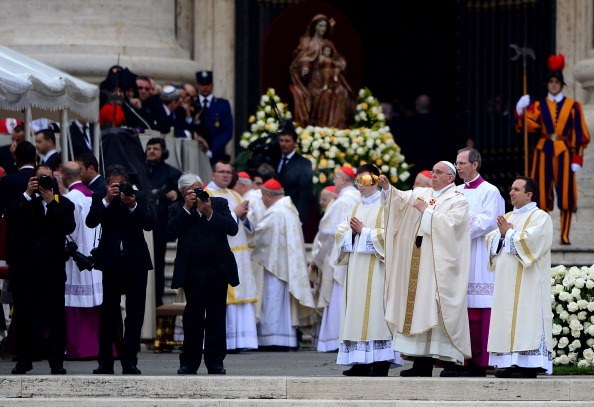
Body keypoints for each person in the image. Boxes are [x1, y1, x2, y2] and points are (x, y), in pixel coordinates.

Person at [380, 160, 471, 377]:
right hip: (421, 264)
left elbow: (451, 227)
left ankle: (452, 364)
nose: (434, 175)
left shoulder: (458, 199)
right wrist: (387, 189)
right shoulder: (425, 193)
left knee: (441, 310)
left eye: (439, 172)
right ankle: (422, 364)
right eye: (433, 171)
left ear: (451, 178)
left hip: (441, 267)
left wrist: (426, 212)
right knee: (420, 308)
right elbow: (401, 198)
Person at [5, 165, 75, 374]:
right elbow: (10, 215)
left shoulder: (63, 204)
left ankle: (56, 362)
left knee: (56, 317)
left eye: (47, 181)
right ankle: (24, 359)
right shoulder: (27, 203)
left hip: (52, 270)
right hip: (28, 270)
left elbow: (68, 226)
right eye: (39, 180)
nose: (43, 184)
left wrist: (50, 201)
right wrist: (27, 193)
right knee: (25, 315)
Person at [514, 54, 590, 245]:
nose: (554, 84)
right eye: (551, 81)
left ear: (561, 84)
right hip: (543, 150)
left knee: (566, 194)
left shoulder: (574, 106)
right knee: (540, 192)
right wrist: (520, 111)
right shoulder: (538, 105)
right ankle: (541, 234)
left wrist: (578, 158)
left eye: (557, 81)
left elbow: (580, 133)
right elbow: (526, 128)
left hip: (564, 151)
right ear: (547, 84)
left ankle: (565, 235)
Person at [86, 164, 154, 375]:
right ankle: (105, 360)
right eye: (113, 185)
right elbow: (90, 221)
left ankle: (129, 360)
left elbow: (150, 223)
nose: (117, 189)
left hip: (135, 261)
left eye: (120, 184)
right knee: (109, 312)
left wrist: (132, 204)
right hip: (111, 261)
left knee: (135, 313)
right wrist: (107, 199)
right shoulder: (100, 196)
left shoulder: (138, 196)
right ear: (107, 185)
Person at [335, 164, 403, 376]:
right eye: (357, 180)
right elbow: (340, 233)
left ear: (375, 180)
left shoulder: (386, 205)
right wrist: (354, 235)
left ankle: (381, 361)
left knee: (376, 311)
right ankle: (360, 361)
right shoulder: (355, 208)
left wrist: (364, 232)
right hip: (356, 270)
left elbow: (391, 235)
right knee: (355, 311)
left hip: (378, 270)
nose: (360, 185)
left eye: (364, 180)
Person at [168, 172, 238, 375]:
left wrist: (209, 213)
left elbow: (232, 228)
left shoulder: (219, 204)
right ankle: (189, 361)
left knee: (216, 316)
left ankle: (215, 361)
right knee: (193, 317)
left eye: (199, 189)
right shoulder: (177, 209)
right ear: (183, 194)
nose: (197, 194)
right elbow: (170, 232)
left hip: (217, 270)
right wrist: (187, 209)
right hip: (192, 271)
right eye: (191, 192)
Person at [485, 176, 554, 378]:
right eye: (512, 189)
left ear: (528, 194)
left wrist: (509, 234)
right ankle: (511, 362)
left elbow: (533, 242)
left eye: (516, 189)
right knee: (507, 319)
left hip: (529, 283)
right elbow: (491, 239)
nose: (511, 192)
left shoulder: (541, 217)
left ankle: (529, 364)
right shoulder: (509, 216)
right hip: (506, 283)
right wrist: (502, 234)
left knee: (527, 319)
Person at [455, 147, 505, 377]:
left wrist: (458, 225)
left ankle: (482, 361)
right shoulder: (454, 192)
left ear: (475, 165)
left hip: (480, 256)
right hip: (458, 255)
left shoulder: (490, 191)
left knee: (481, 308)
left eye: (462, 163)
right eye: (457, 163)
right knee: (462, 308)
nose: (458, 167)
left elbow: (487, 222)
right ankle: (464, 361)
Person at [251, 179, 315, 348]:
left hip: (275, 266)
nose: (262, 201)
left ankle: (272, 339)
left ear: (268, 195)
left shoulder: (275, 212)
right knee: (280, 302)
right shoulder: (290, 210)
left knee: (272, 300)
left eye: (263, 197)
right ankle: (285, 338)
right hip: (285, 264)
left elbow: (260, 234)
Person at [206, 161, 258, 352]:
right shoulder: (207, 195)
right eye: (222, 172)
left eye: (229, 172)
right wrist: (235, 214)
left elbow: (246, 225)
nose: (226, 175)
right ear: (213, 174)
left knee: (241, 295)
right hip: (221, 253)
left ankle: (242, 341)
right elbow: (211, 222)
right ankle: (225, 342)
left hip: (240, 253)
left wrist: (243, 218)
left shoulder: (235, 194)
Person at [311, 166, 360, 352]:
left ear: (345, 180)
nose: (334, 182)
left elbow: (327, 232)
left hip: (339, 255)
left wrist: (318, 256)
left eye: (336, 178)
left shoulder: (342, 202)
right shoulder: (359, 198)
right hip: (355, 255)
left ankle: (334, 340)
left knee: (338, 297)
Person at [61, 161, 103, 359]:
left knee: (74, 298)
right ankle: (98, 347)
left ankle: (78, 348)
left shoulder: (69, 199)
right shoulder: (93, 195)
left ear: (63, 176)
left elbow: (68, 230)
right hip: (93, 257)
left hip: (76, 257)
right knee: (95, 301)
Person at [289, 14, 353, 128]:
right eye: (320, 26)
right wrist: (305, 68)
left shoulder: (328, 43)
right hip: (316, 79)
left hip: (331, 78)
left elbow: (337, 58)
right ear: (314, 27)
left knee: (342, 92)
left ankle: (336, 125)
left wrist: (342, 63)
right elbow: (302, 59)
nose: (323, 29)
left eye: (324, 26)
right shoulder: (307, 42)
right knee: (325, 94)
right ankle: (321, 125)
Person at [145, 138, 182, 307]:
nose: (151, 151)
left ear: (164, 152)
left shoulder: (173, 173)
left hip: (159, 229)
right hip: (142, 226)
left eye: (156, 149)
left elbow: (182, 197)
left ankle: (157, 304)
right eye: (149, 148)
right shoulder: (140, 170)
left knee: (157, 268)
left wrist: (176, 195)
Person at [275, 121, 314, 224]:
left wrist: (299, 219)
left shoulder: (304, 163)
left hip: (292, 213)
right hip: (274, 212)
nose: (283, 144)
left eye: (287, 141)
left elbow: (305, 193)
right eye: (281, 141)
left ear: (295, 143)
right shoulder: (274, 160)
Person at [399, 95, 445, 181]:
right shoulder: (438, 123)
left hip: (415, 164)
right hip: (434, 162)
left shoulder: (409, 123)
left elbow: (405, 145)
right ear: (430, 106)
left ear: (416, 106)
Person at [309, 40, 353, 129]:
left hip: (332, 84)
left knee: (341, 92)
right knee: (327, 94)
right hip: (321, 86)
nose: (327, 52)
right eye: (325, 51)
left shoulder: (333, 65)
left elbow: (338, 64)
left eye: (329, 51)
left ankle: (337, 122)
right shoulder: (318, 69)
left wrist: (340, 66)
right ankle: (323, 123)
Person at [194, 70, 233, 164]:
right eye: (202, 84)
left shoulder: (222, 105)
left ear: (212, 85)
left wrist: (212, 150)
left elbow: (227, 131)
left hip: (217, 154)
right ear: (197, 85)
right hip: (195, 153)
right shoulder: (192, 104)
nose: (205, 87)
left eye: (207, 84)